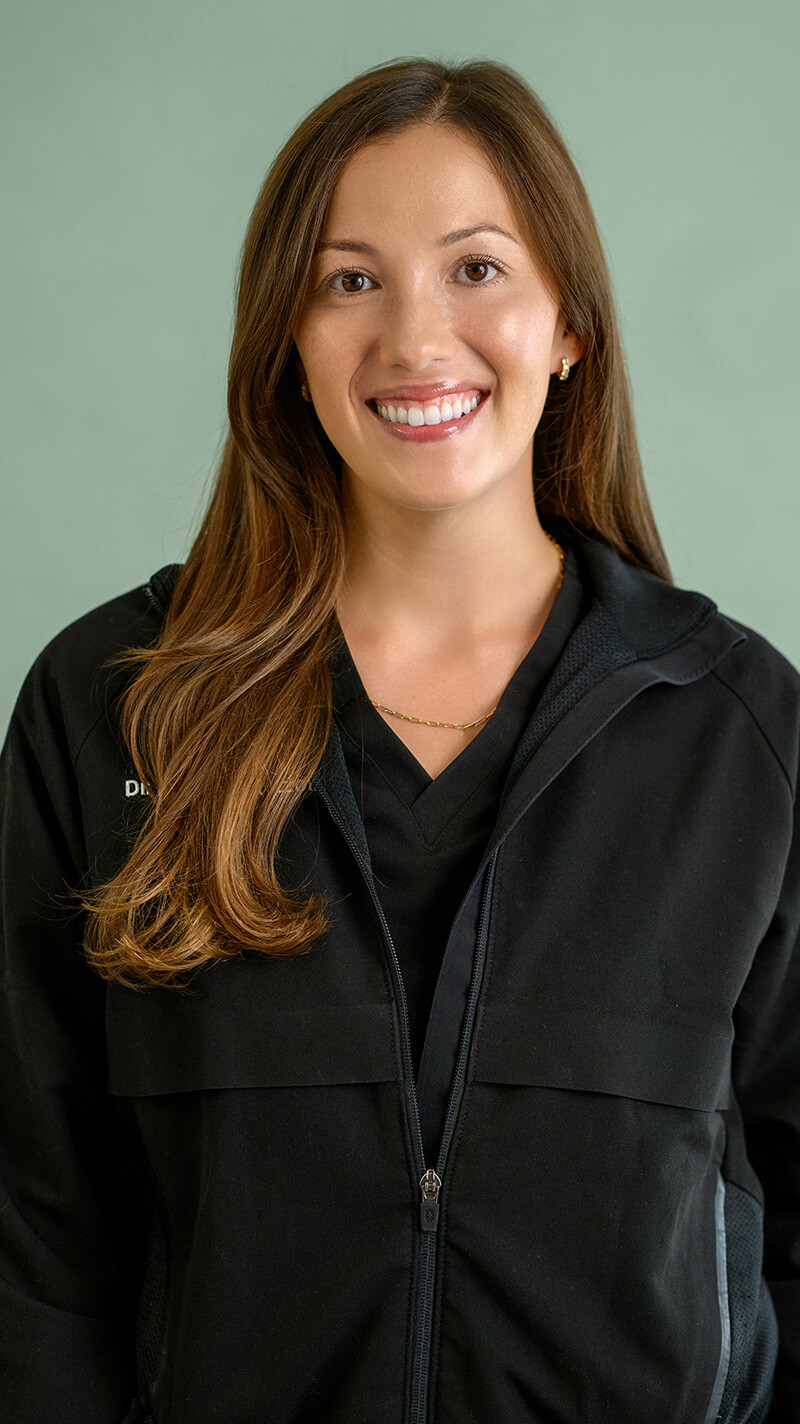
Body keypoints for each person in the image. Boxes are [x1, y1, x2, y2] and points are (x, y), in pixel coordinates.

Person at [0, 54, 798, 1424]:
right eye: (349, 280)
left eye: (477, 269)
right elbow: (34, 1233)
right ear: (287, 341)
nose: (417, 341)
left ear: (570, 322)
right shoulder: (116, 704)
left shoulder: (742, 735)